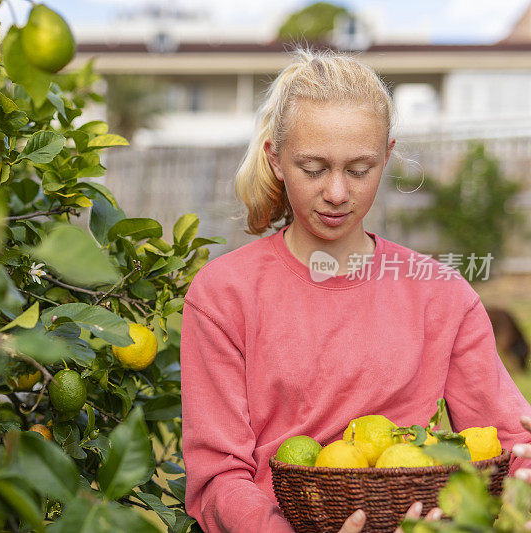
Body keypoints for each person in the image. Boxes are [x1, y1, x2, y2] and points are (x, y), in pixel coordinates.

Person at [179, 47, 531, 533]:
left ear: (386, 156)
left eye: (360, 169)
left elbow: (506, 443)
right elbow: (217, 475)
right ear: (275, 159)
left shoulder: (442, 294)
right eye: (313, 168)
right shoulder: (224, 293)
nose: (338, 193)